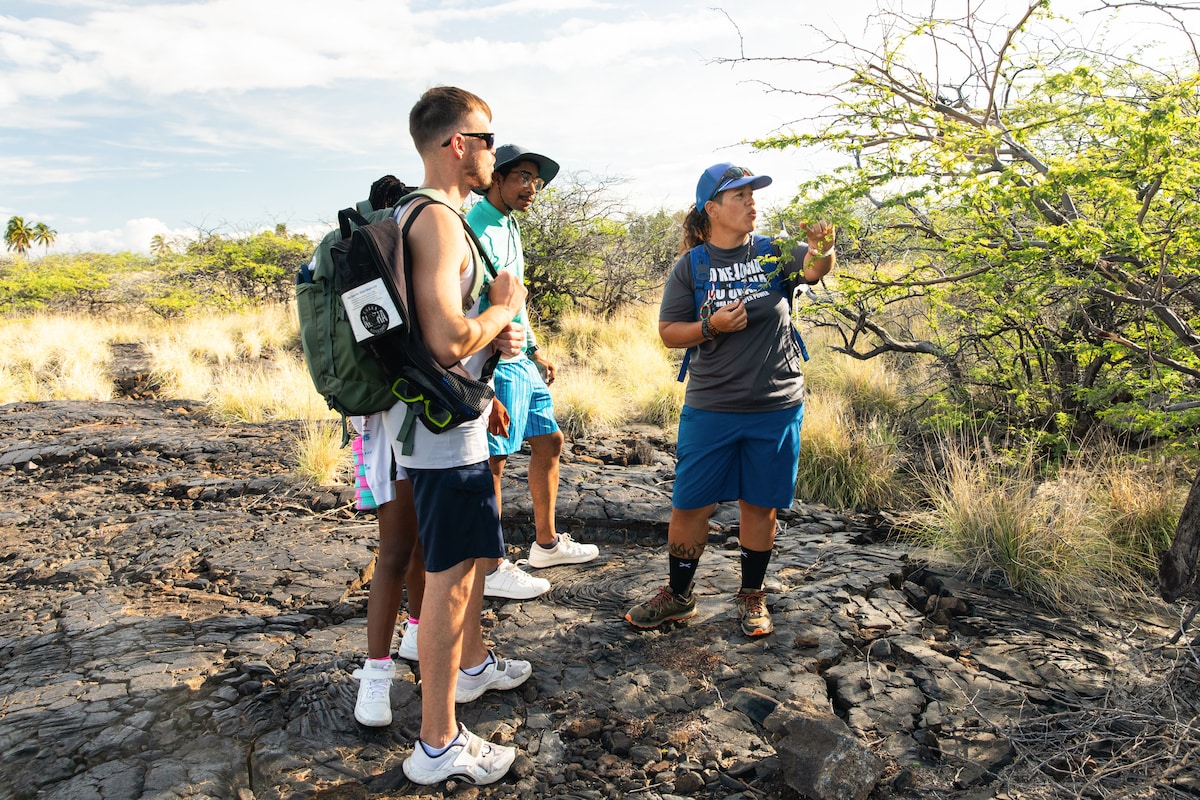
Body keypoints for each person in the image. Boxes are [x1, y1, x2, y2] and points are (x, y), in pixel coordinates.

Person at [385, 86, 532, 787]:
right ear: (458, 143)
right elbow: (445, 340)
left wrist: (487, 382)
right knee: (446, 584)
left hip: (446, 422)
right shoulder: (439, 221)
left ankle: (455, 705)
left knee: (465, 567)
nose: (495, 152)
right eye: (489, 139)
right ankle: (438, 743)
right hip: (442, 436)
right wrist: (501, 312)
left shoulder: (420, 215)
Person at [625, 162, 835, 638]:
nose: (750, 202)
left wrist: (824, 248)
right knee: (690, 505)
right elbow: (667, 333)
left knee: (759, 505)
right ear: (712, 209)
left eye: (752, 194)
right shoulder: (692, 266)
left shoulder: (772, 253)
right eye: (738, 196)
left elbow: (815, 269)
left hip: (776, 404)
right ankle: (678, 596)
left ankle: (752, 597)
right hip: (711, 406)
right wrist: (710, 327)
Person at [466, 144, 600, 601]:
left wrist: (537, 348)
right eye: (522, 177)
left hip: (522, 360)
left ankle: (545, 545)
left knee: (550, 441)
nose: (531, 187)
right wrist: (489, 350)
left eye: (536, 181)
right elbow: (470, 303)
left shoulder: (511, 226)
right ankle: (492, 566)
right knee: (495, 462)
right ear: (496, 178)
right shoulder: (473, 225)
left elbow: (515, 298)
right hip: (492, 361)